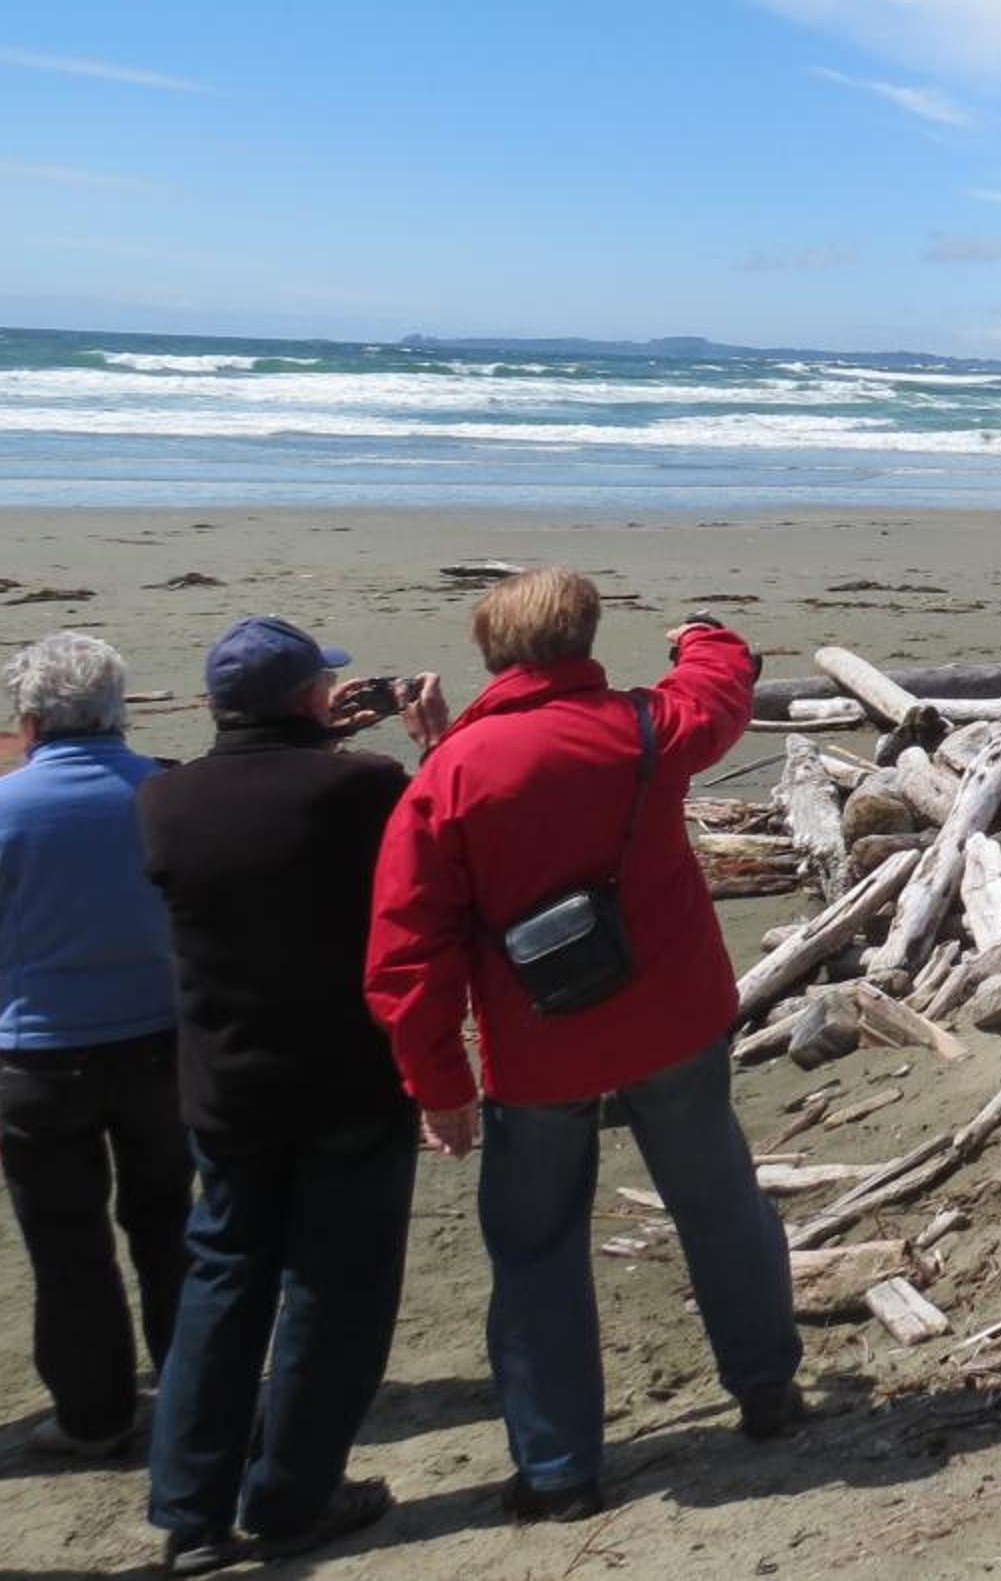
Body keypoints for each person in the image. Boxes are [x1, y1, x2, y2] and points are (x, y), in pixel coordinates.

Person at [365, 568, 803, 1522]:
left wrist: (439, 1082)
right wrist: (704, 630)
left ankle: (561, 1469)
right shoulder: (646, 727)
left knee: (534, 1249)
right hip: (672, 1017)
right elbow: (718, 691)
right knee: (718, 1198)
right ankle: (767, 1389)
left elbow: (408, 951)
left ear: (492, 655)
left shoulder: (452, 775)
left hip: (539, 1044)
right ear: (586, 637)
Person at [135, 617, 449, 1572]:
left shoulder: (164, 802)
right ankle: (291, 1498)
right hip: (346, 1079)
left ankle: (191, 1511)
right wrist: (431, 740)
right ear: (315, 700)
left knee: (222, 1283)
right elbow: (430, 840)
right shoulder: (361, 787)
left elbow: (255, 804)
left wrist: (311, 734)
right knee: (334, 1294)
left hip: (228, 1087)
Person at [0, 631, 187, 1461]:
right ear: (117, 712)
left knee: (68, 1246)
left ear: (29, 720)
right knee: (170, 1225)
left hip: (42, 1056)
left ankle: (95, 1414)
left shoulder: (2, 808)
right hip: (161, 1045)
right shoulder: (166, 795)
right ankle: (191, 1394)